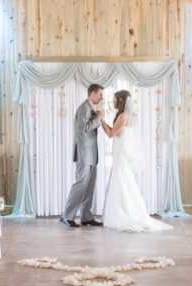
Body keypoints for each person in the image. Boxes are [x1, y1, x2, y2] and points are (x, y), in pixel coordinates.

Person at [97, 90, 172, 233]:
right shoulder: (131, 116)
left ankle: (123, 213)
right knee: (125, 181)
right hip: (122, 153)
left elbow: (111, 133)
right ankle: (129, 210)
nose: (113, 102)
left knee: (121, 181)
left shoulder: (123, 115)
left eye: (115, 100)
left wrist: (100, 119)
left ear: (121, 101)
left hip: (120, 154)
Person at [60, 83, 104, 227]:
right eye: (100, 94)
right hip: (84, 155)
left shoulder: (91, 108)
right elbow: (82, 128)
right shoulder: (84, 108)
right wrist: (98, 120)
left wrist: (96, 117)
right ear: (92, 94)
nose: (102, 97)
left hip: (91, 155)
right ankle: (67, 216)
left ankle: (86, 216)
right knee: (80, 185)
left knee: (89, 187)